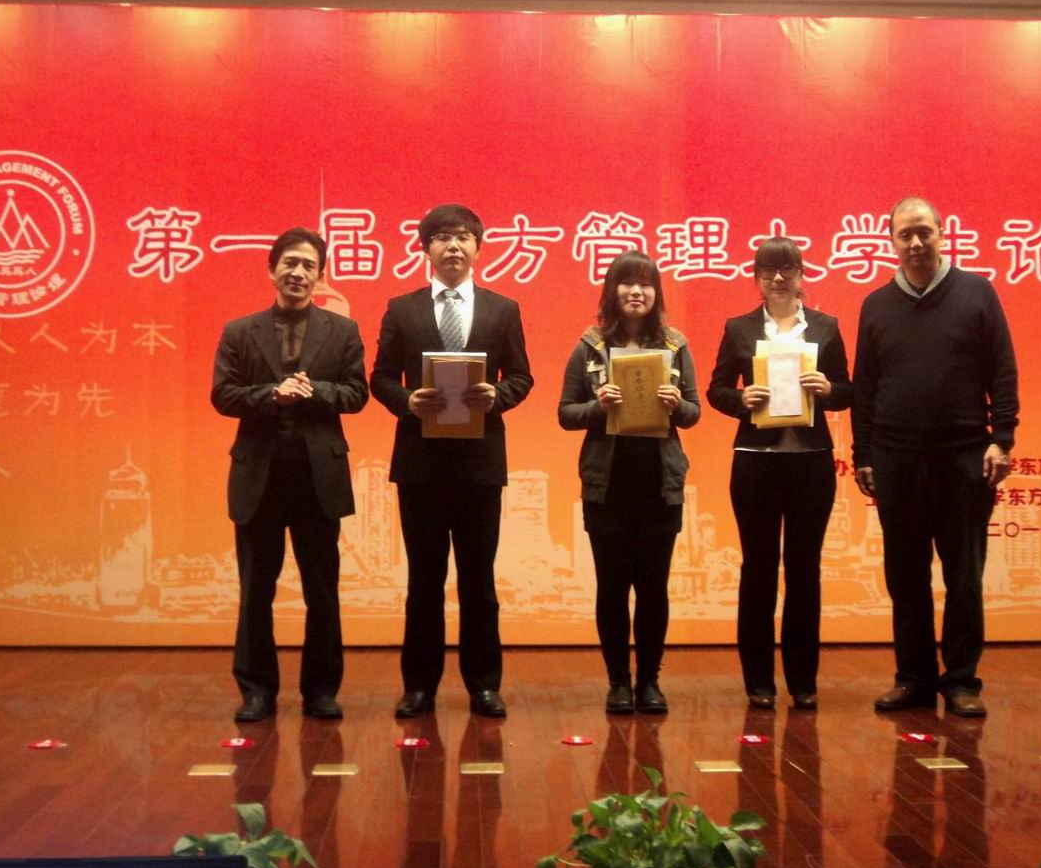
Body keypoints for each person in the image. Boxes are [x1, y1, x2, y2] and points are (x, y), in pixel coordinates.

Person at [852, 196, 1018, 718]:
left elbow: (1003, 370)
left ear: (943, 234)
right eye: (905, 234)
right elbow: (865, 386)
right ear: (892, 242)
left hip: (964, 457)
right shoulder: (876, 305)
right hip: (896, 458)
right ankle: (914, 679)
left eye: (924, 231)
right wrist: (863, 453)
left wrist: (1002, 438)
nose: (916, 242)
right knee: (906, 575)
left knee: (964, 574)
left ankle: (962, 681)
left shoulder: (977, 293)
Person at [370, 203, 534, 719]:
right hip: (420, 464)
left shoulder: (502, 309)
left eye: (463, 236)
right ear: (426, 249)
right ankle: (418, 686)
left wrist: (498, 396)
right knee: (424, 580)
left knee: (478, 580)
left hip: (479, 464)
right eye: (442, 237)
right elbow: (380, 377)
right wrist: (407, 401)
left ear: (478, 247)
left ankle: (484, 684)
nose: (453, 246)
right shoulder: (402, 309)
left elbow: (522, 377)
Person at [211, 227, 369, 723]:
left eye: (308, 265)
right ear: (272, 270)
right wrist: (271, 394)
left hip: (318, 479)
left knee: (322, 590)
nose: (298, 273)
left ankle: (321, 691)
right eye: (290, 263)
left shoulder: (342, 331)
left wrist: (314, 390)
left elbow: (356, 395)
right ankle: (256, 691)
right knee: (256, 590)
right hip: (258, 477)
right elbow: (223, 395)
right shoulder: (240, 331)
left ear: (320, 275)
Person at [707, 237, 851, 711]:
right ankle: (759, 683)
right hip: (756, 460)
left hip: (811, 461)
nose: (778, 278)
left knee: (805, 570)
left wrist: (828, 388)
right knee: (758, 569)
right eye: (768, 270)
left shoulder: (826, 327)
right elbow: (716, 390)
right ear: (757, 278)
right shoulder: (739, 327)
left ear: (801, 274)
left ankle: (803, 681)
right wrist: (741, 400)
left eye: (787, 269)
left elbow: (848, 390)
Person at [558, 251, 701, 715]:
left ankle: (650, 682)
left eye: (646, 284)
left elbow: (694, 412)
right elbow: (565, 413)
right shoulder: (590, 346)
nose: (637, 292)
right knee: (613, 587)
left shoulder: (675, 345)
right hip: (607, 485)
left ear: (656, 292)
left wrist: (676, 404)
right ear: (611, 291)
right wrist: (597, 406)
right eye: (627, 283)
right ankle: (618, 681)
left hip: (660, 484)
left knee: (654, 588)